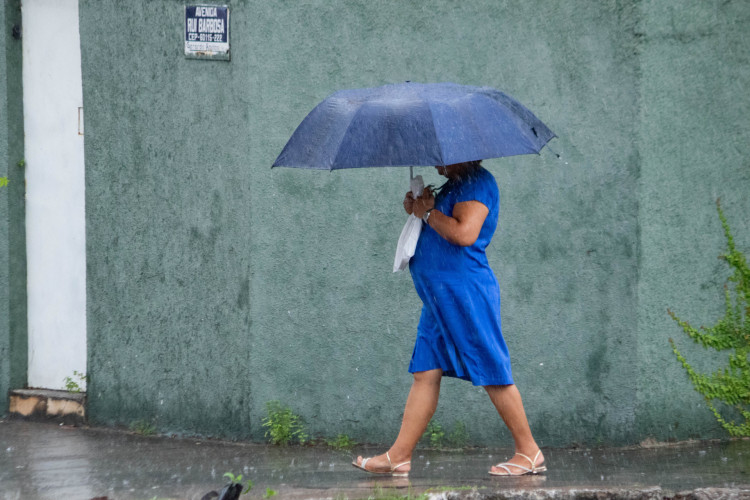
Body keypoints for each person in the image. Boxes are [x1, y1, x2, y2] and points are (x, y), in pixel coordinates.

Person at [352, 160, 545, 477]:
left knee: (490, 367)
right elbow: (438, 225)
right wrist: (418, 209)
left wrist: (428, 213)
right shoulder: (453, 185)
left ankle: (529, 452)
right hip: (439, 297)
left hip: (465, 293)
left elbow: (464, 233)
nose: (436, 160)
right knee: (425, 372)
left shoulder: (477, 183)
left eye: (443, 154)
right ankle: (398, 456)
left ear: (466, 152)